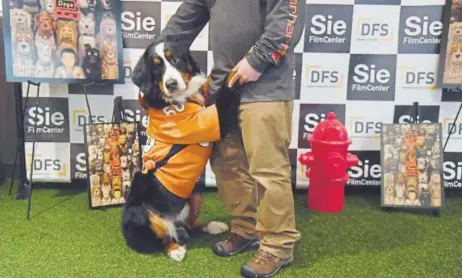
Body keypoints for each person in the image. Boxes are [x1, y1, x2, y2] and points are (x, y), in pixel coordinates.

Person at [157, 1, 305, 277]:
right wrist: (154, 64)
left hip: (266, 88)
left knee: (268, 170)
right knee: (227, 164)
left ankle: (278, 245)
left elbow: (286, 24)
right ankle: (245, 229)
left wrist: (256, 60)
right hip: (222, 89)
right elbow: (179, 28)